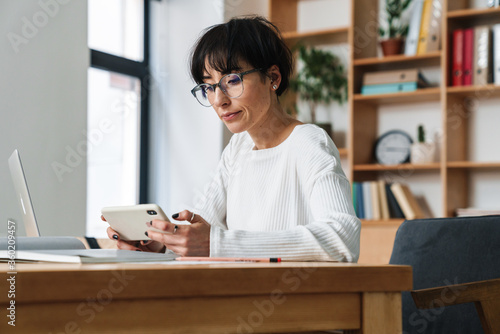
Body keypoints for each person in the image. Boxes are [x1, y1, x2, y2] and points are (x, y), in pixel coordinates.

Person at [106, 15, 361, 262]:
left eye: (233, 80)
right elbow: (206, 230)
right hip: (241, 293)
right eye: (209, 86)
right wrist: (162, 244)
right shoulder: (237, 148)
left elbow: (343, 237)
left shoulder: (308, 142)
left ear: (273, 77)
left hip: (297, 301)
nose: (219, 100)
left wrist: (217, 243)